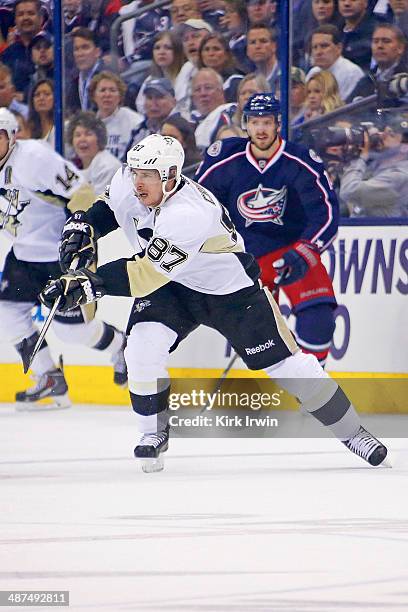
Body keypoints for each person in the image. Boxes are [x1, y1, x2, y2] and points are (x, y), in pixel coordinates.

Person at [39, 133, 388, 472]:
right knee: (141, 350)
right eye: (135, 172)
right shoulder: (130, 182)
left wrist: (88, 284)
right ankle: (152, 434)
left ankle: (353, 433)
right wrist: (84, 225)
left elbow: (144, 275)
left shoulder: (189, 214)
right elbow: (110, 208)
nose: (138, 183)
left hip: (229, 292)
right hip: (173, 286)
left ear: (172, 176)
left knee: (288, 367)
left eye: (148, 175)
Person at [196, 93, 339, 368]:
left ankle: (314, 381)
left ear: (278, 124)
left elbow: (325, 213)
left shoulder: (300, 161)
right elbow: (199, 205)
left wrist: (306, 250)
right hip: (244, 257)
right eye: (255, 122)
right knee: (258, 337)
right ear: (246, 124)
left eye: (267, 122)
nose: (261, 129)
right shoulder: (225, 158)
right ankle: (287, 378)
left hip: (291, 250)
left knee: (318, 321)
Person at [0, 108, 127, 410]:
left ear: (12, 136)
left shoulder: (33, 158)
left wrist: (82, 235)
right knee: (5, 312)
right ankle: (48, 377)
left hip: (64, 251)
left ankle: (122, 345)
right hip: (24, 255)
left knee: (72, 331)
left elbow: (80, 191)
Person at [339, 115, 408, 216]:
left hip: (383, 230)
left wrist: (359, 157)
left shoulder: (399, 176)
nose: (382, 136)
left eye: (391, 135)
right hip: (364, 228)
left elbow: (349, 191)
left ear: (405, 148)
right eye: (384, 132)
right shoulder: (377, 163)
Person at [90, 70, 144, 162]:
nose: (107, 95)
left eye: (112, 90)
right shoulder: (88, 123)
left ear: (120, 96)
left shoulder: (135, 121)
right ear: (94, 96)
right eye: (102, 90)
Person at [67, 111, 121, 194]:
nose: (82, 139)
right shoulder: (72, 166)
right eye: (77, 135)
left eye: (88, 134)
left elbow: (98, 204)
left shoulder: (108, 167)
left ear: (99, 138)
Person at [306, 24, 365, 101]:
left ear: (339, 48)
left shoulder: (351, 73)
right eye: (315, 47)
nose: (318, 52)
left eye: (324, 46)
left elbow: (346, 108)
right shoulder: (313, 72)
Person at [27, 77, 54, 145]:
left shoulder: (64, 127)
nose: (41, 98)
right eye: (37, 95)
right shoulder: (28, 129)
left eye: (47, 94)